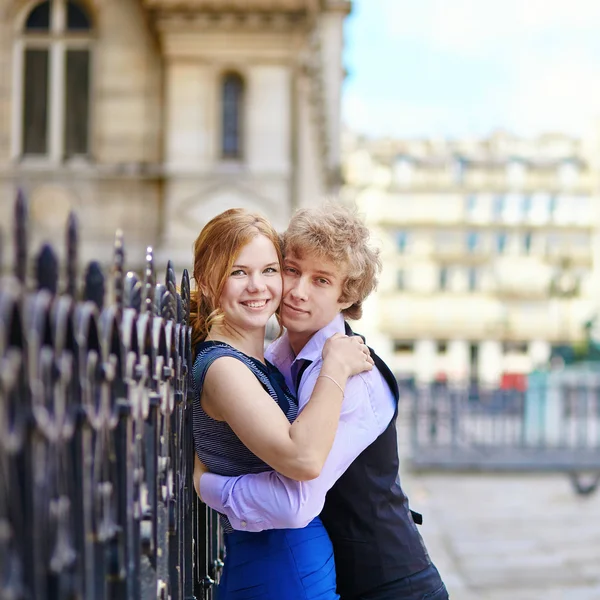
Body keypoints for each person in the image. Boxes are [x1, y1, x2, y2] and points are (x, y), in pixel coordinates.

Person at [195, 204, 449, 600]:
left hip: (391, 587)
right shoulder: (274, 356)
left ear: (345, 296)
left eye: (321, 281)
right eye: (292, 270)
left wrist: (204, 484)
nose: (297, 292)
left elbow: (295, 499)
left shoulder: (352, 376)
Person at [190, 208, 374, 600]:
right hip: (276, 567)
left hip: (291, 563)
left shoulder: (263, 360)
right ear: (208, 282)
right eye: (238, 272)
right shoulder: (225, 367)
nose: (259, 286)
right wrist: (336, 365)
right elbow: (303, 459)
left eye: (270, 270)